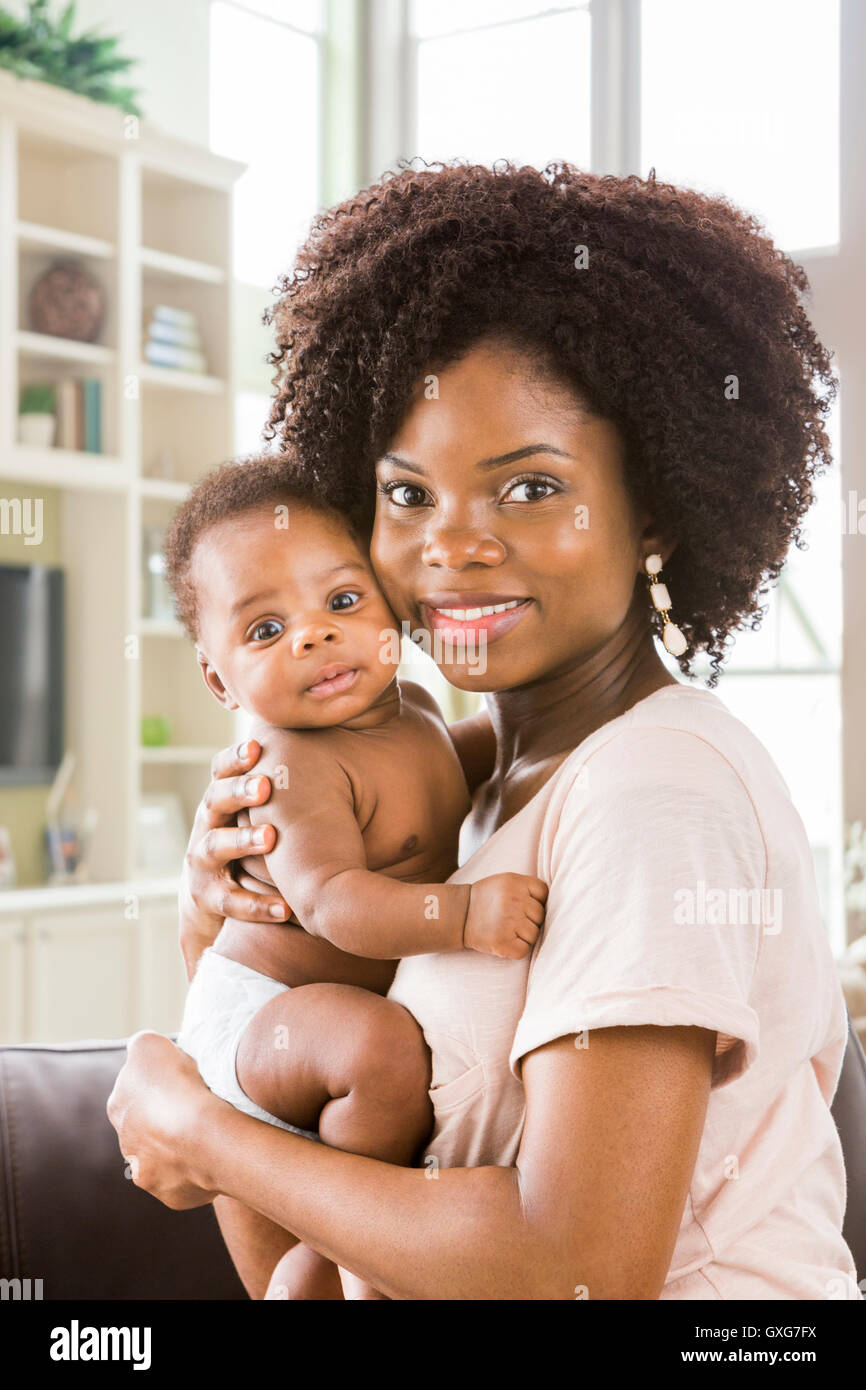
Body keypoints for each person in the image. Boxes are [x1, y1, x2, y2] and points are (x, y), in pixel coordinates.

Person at [109, 161, 859, 1299]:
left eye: (526, 489)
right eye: (407, 495)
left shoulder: (654, 790)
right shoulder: (473, 779)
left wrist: (201, 1131)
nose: (448, 547)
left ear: (652, 503)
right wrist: (215, 926)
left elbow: (578, 1269)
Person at [164, 453, 546, 1298]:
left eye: (341, 602)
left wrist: (538, 727)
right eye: (266, 630)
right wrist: (463, 915)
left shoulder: (411, 710)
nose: (313, 635)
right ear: (217, 676)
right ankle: (352, 1248)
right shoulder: (289, 767)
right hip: (259, 1023)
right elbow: (335, 904)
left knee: (377, 1054)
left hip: (317, 1030)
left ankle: (338, 1254)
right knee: (380, 1049)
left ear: (389, 605)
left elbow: (459, 762)